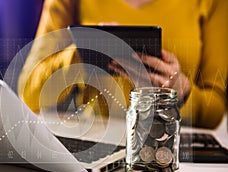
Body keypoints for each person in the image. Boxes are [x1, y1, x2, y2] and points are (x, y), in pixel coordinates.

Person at [18, 0, 228, 129]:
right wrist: (81, 52)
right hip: (96, 145)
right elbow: (29, 93)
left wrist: (182, 92)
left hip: (172, 149)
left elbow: (215, 110)